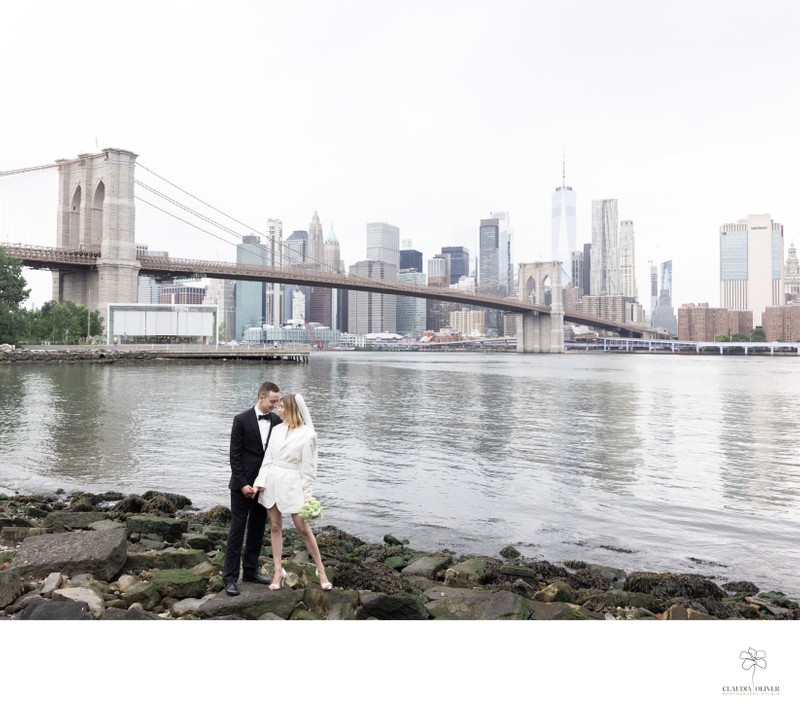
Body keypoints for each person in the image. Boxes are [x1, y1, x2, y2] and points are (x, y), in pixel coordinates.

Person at [254, 393, 332, 591]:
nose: (278, 410)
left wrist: (307, 495)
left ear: (292, 410)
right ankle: (278, 571)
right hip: (272, 482)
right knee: (274, 526)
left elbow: (309, 469)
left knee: (302, 527)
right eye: (278, 406)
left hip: (293, 484)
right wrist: (259, 483)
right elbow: (268, 459)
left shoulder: (308, 434)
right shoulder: (277, 430)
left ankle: (320, 569)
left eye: (282, 407)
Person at [222, 380, 281, 596]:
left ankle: (250, 571)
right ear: (261, 397)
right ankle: (229, 578)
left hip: (265, 485)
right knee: (237, 530)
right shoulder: (241, 419)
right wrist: (243, 484)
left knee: (257, 529)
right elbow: (234, 455)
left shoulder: (277, 421)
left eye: (277, 401)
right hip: (242, 485)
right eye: (272, 401)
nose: (275, 405)